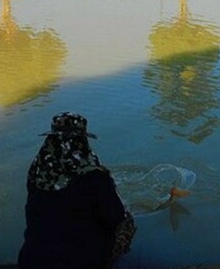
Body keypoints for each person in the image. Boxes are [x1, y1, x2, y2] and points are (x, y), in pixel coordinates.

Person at [17, 112, 135, 269]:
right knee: (127, 223)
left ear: (51, 138)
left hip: (31, 259)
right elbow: (116, 217)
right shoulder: (94, 175)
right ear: (82, 140)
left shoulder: (37, 171)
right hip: (82, 261)